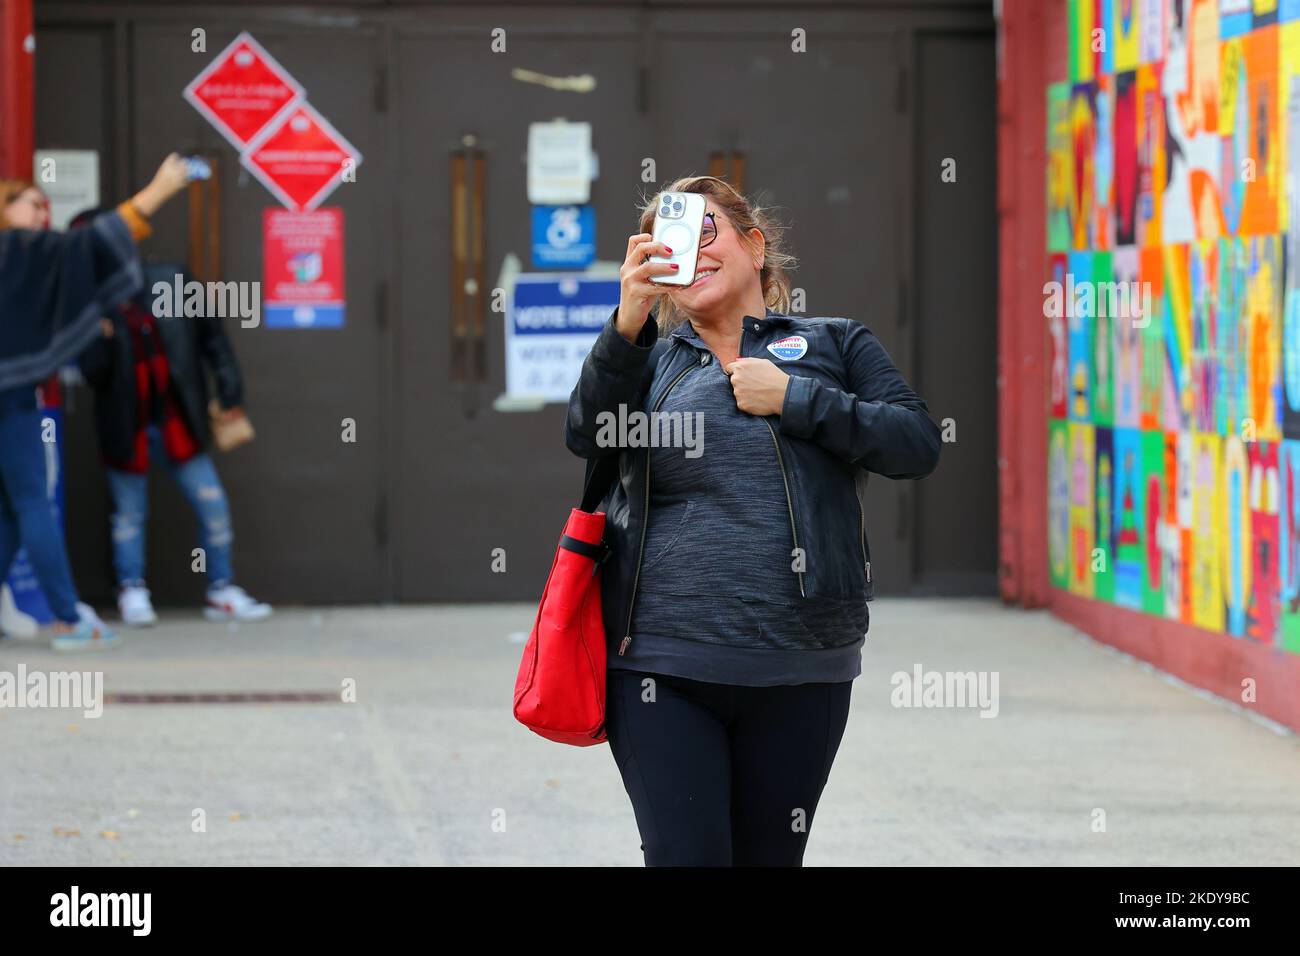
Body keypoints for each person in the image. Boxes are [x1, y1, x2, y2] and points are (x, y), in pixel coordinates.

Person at [565, 176, 942, 866]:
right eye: (667, 240)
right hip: (661, 666)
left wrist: (798, 400)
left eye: (705, 230)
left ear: (755, 244)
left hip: (803, 667)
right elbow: (588, 434)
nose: (689, 250)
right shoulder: (647, 363)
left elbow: (916, 444)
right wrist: (625, 325)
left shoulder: (835, 343)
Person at [0, 156, 190, 650]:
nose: (44, 213)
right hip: (10, 400)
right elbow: (91, 243)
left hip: (12, 397)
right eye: (33, 204)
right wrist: (158, 190)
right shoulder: (20, 253)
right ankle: (68, 617)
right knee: (31, 503)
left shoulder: (21, 257)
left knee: (10, 510)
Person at [73, 234, 271, 626]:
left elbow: (213, 339)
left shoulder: (172, 281)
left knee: (212, 504)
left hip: (176, 419)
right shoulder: (94, 302)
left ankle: (220, 589)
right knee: (129, 515)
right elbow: (91, 372)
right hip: (126, 425)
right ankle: (132, 589)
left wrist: (230, 391)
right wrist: (100, 336)